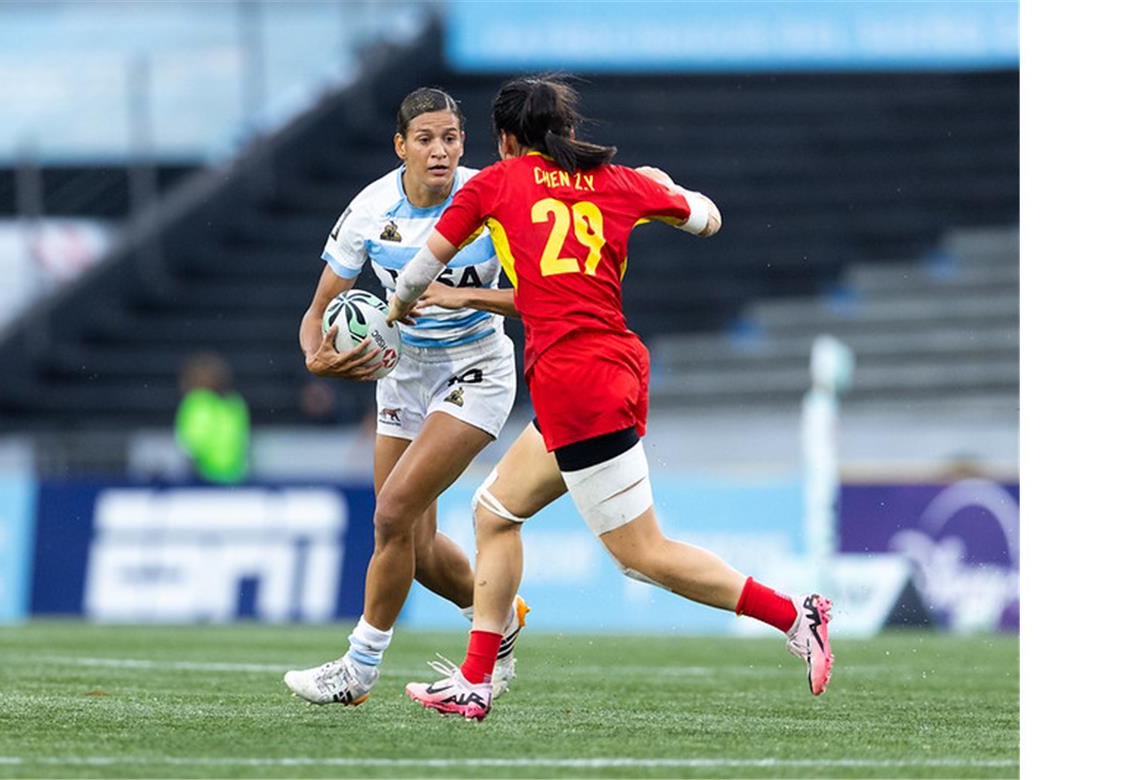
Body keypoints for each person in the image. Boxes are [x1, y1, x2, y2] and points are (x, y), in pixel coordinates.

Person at [387, 75, 835, 721]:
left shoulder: (495, 183)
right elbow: (709, 219)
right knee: (494, 512)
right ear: (565, 131)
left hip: (576, 380)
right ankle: (477, 678)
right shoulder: (620, 182)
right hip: (603, 367)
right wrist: (667, 186)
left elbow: (418, 271)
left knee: (640, 556)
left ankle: (796, 615)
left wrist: (399, 311)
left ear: (506, 138)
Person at [285, 87, 529, 707]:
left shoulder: (491, 200)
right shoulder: (371, 210)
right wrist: (320, 360)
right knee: (413, 548)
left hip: (476, 369)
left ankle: (359, 668)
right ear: (401, 146)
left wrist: (462, 296)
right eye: (425, 139)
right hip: (402, 375)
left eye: (450, 138)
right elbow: (315, 316)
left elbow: (544, 296)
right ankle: (494, 611)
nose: (440, 150)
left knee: (390, 513)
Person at [174, 351, 249, 484]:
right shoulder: (236, 403)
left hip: (205, 479)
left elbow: (190, 447)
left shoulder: (197, 403)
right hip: (235, 478)